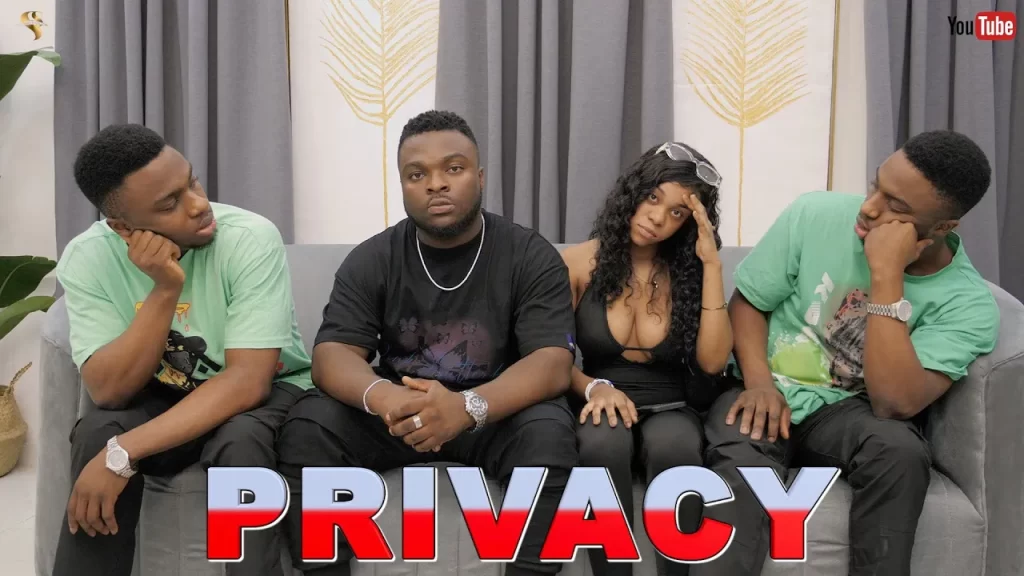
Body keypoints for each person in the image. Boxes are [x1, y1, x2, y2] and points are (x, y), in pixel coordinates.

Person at [276, 110, 579, 576]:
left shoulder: (528, 254)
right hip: (399, 413)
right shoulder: (374, 257)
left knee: (549, 433)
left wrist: (468, 407)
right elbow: (332, 355)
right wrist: (386, 397)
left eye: (453, 169)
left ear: (479, 177)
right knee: (309, 425)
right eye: (417, 175)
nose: (436, 184)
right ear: (402, 185)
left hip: (493, 411)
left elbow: (552, 361)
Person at [692, 130, 1000, 576]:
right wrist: (759, 383)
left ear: (941, 228)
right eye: (876, 185)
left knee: (901, 453)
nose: (869, 207)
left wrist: (886, 276)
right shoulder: (814, 214)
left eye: (896, 206)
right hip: (761, 386)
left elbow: (894, 403)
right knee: (741, 468)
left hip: (849, 410)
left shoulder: (967, 305)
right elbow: (750, 303)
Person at [51, 123, 313, 576]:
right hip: (167, 394)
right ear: (123, 228)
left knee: (240, 443)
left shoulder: (249, 237)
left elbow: (248, 381)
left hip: (270, 391)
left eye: (192, 182)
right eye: (169, 204)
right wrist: (164, 289)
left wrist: (123, 452)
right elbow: (108, 391)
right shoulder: (87, 257)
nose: (198, 205)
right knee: (97, 432)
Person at [561, 142, 733, 576]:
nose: (658, 217)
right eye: (653, 197)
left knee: (676, 448)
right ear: (632, 192)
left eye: (677, 212)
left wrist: (712, 266)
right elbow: (548, 356)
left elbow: (713, 363)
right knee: (602, 444)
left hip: (673, 403)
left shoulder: (690, 271)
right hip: (600, 398)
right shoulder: (577, 263)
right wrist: (593, 388)